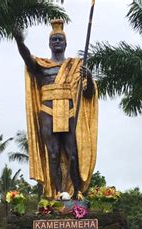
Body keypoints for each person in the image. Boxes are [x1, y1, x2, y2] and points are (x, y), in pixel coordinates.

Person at [13, 19, 98, 200]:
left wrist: (89, 77)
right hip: (48, 112)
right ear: (49, 44)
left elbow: (88, 93)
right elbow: (27, 57)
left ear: (65, 43)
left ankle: (77, 192)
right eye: (54, 40)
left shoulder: (76, 66)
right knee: (53, 154)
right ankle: (59, 192)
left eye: (60, 39)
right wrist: (20, 42)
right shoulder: (42, 66)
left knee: (72, 154)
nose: (57, 42)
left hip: (69, 112)